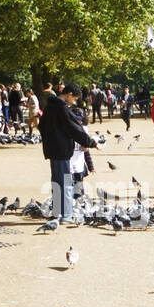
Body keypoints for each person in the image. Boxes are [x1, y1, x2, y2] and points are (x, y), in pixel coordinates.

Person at [40, 82, 97, 222]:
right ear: (69, 94)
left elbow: (41, 125)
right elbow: (74, 129)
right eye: (75, 98)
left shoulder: (50, 106)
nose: (75, 101)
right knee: (65, 182)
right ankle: (65, 214)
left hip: (53, 149)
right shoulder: (61, 108)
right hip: (61, 150)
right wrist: (91, 142)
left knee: (57, 181)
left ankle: (58, 212)